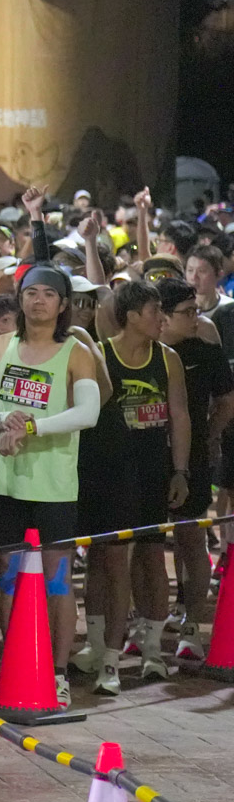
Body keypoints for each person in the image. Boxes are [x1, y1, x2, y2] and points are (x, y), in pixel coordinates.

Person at [0, 266, 104, 706]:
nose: (38, 300)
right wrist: (2, 420)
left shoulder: (76, 352)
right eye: (30, 292)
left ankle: (57, 675)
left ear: (63, 304)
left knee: (56, 583)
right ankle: (14, 670)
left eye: (48, 294)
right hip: (6, 485)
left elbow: (88, 413)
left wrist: (31, 427)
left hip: (55, 488)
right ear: (19, 297)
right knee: (9, 581)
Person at [71, 280, 186, 695]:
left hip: (152, 472)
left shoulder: (167, 358)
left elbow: (180, 415)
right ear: (133, 316)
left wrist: (181, 471)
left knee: (151, 559)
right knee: (102, 561)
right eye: (155, 311)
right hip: (103, 472)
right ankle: (99, 646)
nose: (162, 319)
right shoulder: (101, 354)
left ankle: (149, 649)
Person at [154, 277, 234, 662]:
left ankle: (191, 624)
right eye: (187, 313)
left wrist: (210, 434)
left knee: (190, 538)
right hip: (145, 460)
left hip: (194, 459)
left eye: (196, 311)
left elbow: (227, 401)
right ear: (162, 317)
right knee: (144, 545)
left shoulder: (207, 352)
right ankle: (148, 624)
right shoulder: (140, 353)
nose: (196, 319)